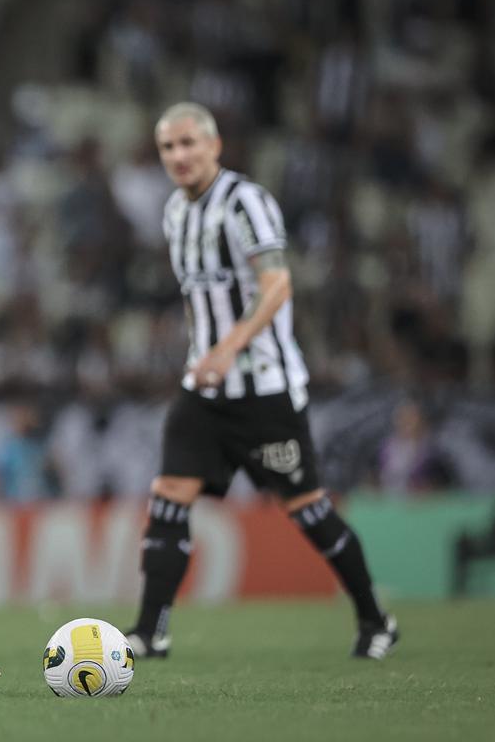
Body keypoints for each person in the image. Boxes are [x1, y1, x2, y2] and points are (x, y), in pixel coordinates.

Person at [124, 103, 399, 660]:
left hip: (265, 390)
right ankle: (150, 631)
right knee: (169, 497)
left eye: (187, 144)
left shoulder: (245, 201)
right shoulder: (176, 211)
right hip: (203, 390)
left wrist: (228, 348)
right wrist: (203, 350)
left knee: (308, 508)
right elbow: (196, 295)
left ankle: (375, 619)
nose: (178, 156)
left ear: (214, 145)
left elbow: (277, 286)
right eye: (167, 148)